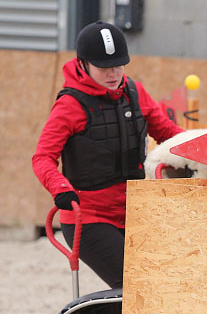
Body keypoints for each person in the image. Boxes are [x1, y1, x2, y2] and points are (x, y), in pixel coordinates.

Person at [32, 21, 183, 289]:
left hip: (134, 211)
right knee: (134, 285)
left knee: (164, 283)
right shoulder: (69, 105)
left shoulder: (135, 93)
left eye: (119, 65)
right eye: (104, 67)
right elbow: (42, 157)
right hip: (89, 218)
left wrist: (205, 147)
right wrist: (60, 189)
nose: (113, 74)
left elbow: (170, 135)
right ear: (83, 64)